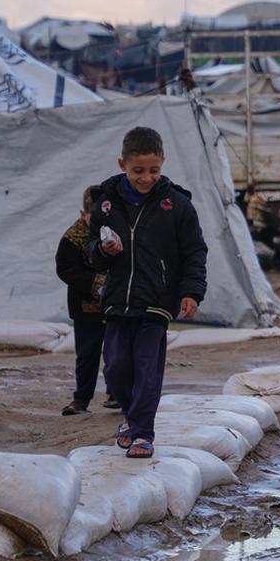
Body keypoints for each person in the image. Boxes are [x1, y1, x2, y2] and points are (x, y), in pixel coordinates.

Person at [86, 127, 208, 458]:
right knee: (114, 368)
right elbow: (91, 251)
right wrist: (104, 250)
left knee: (146, 368)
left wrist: (191, 292)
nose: (146, 178)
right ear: (122, 164)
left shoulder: (177, 205)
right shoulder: (107, 204)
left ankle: (142, 433)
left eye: (154, 170)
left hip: (156, 300)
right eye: (138, 171)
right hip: (117, 301)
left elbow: (195, 251)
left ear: (163, 164)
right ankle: (131, 417)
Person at [55, 186, 118, 415]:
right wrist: (97, 283)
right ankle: (81, 400)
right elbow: (66, 269)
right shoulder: (73, 238)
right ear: (84, 214)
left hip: (116, 307)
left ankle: (116, 393)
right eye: (94, 217)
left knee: (117, 352)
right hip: (86, 308)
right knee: (87, 355)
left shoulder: (115, 234)